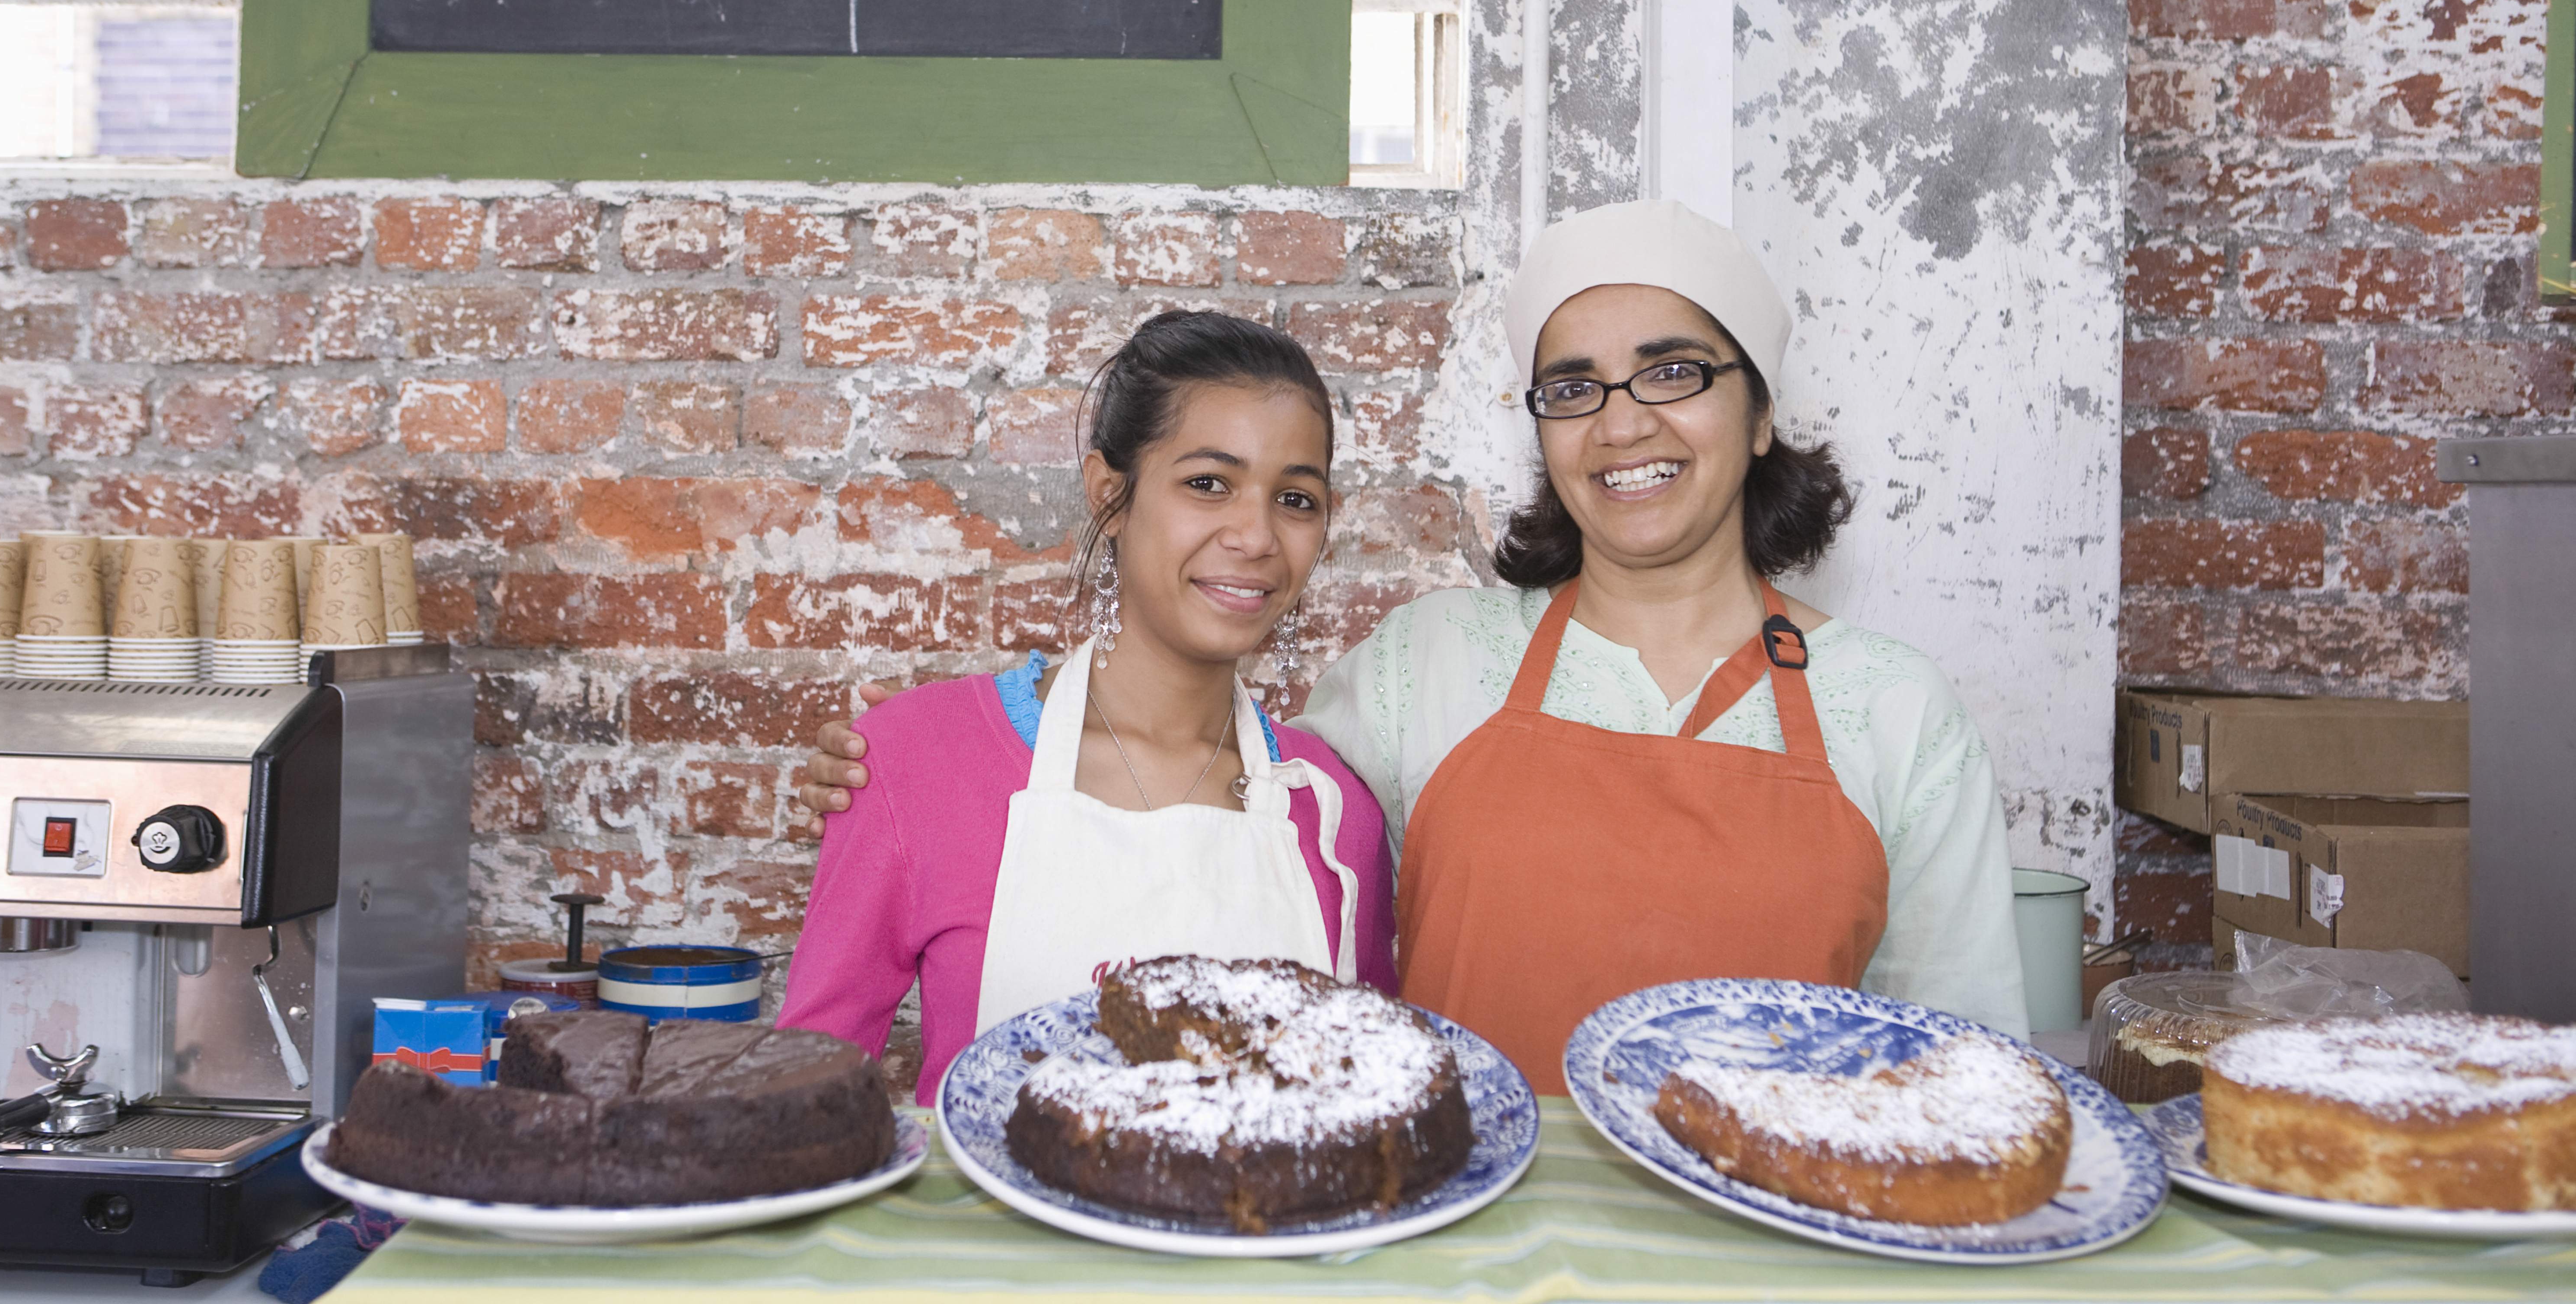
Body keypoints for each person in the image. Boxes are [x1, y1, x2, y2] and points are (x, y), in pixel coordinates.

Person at [798, 201, 2027, 1092]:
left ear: (1760, 413)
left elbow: (1970, 1077)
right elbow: (1219, 800)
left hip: (1780, 1295)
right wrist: (893, 781)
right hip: (1461, 1272)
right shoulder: (1427, 665)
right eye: (1574, 386)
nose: (1623, 420)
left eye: (1676, 372)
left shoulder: (1896, 710)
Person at [775, 310, 1396, 1104]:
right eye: (1208, 484)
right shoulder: (912, 760)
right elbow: (804, 1097)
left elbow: (1365, 1098)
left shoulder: (1335, 809)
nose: (1256, 535)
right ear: (1112, 493)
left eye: (1297, 499)